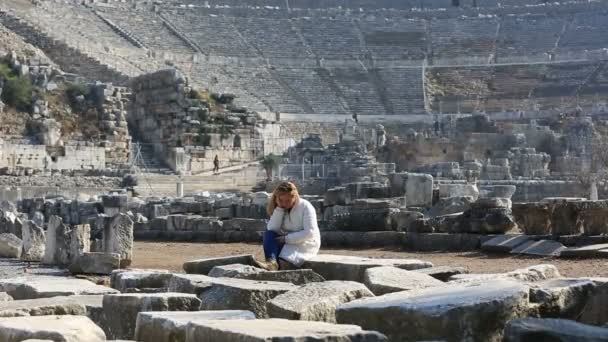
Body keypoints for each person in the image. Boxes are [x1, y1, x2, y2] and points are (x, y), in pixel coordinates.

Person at [255, 181, 321, 271]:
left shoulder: (305, 206)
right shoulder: (279, 207)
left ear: (294, 197)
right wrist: (279, 209)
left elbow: (309, 233)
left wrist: (286, 239)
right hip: (286, 240)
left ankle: (276, 265)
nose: (284, 203)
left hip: (305, 243)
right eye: (281, 200)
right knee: (269, 234)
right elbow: (272, 229)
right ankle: (271, 263)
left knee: (284, 261)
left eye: (288, 200)